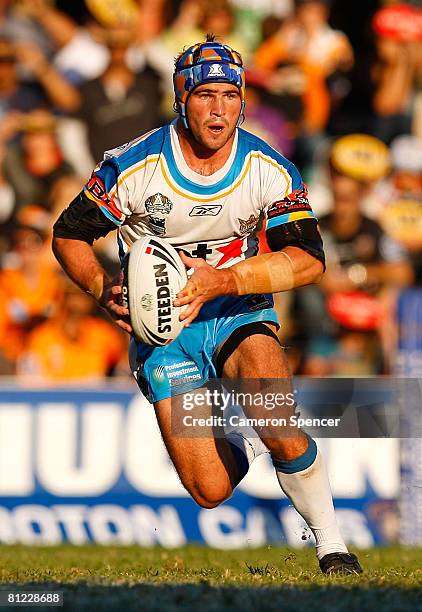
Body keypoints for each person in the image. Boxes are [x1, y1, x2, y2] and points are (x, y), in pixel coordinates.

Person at [52, 35, 362, 575]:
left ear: (244, 100)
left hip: (236, 309)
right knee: (210, 489)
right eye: (204, 96)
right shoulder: (134, 166)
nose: (218, 109)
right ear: (181, 98)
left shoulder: (268, 168)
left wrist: (227, 280)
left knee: (275, 413)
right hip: (164, 327)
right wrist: (104, 293)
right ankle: (235, 432)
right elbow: (68, 235)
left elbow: (309, 260)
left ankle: (333, 546)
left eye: (229, 95)